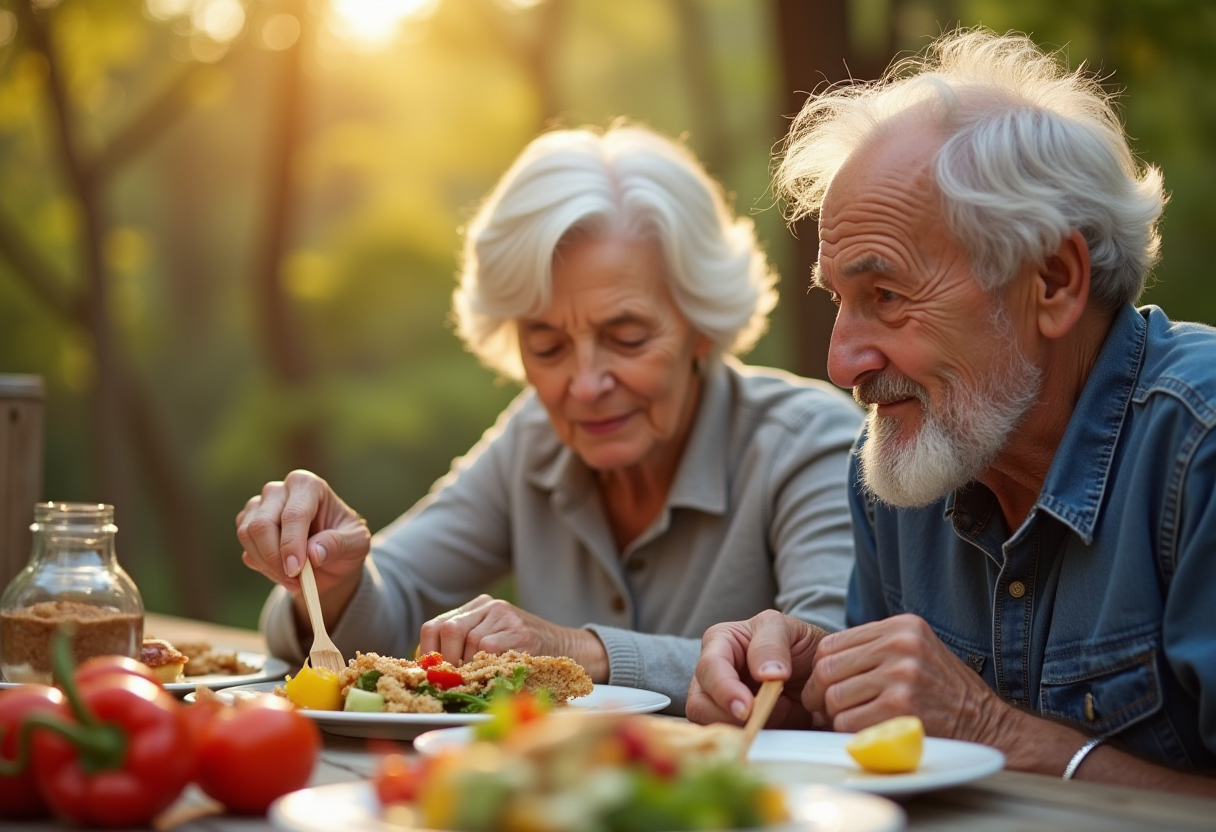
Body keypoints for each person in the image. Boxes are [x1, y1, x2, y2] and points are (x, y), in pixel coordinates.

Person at [687, 29, 1216, 793]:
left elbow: (966, 732)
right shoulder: (901, 469)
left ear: (1055, 282)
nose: (843, 363)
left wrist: (992, 730)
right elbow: (891, 768)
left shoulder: (1198, 450)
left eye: (887, 297)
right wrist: (808, 697)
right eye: (838, 300)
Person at [236, 123, 863, 712]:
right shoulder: (532, 439)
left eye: (627, 336)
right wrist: (333, 577)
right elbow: (376, 604)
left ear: (703, 326)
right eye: (547, 346)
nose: (584, 386)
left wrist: (576, 651)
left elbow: (830, 661)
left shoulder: (808, 442)